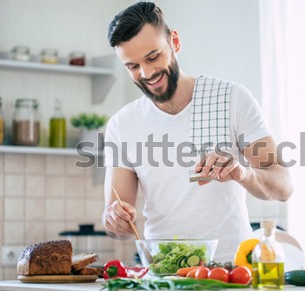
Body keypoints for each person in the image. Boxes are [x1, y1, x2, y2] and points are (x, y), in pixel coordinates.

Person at [102, 2, 293, 262]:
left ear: (175, 42)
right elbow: (118, 221)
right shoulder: (122, 124)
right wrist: (114, 219)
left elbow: (283, 187)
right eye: (132, 67)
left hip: (231, 268)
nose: (146, 73)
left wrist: (242, 173)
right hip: (162, 271)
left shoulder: (231, 99)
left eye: (152, 57)